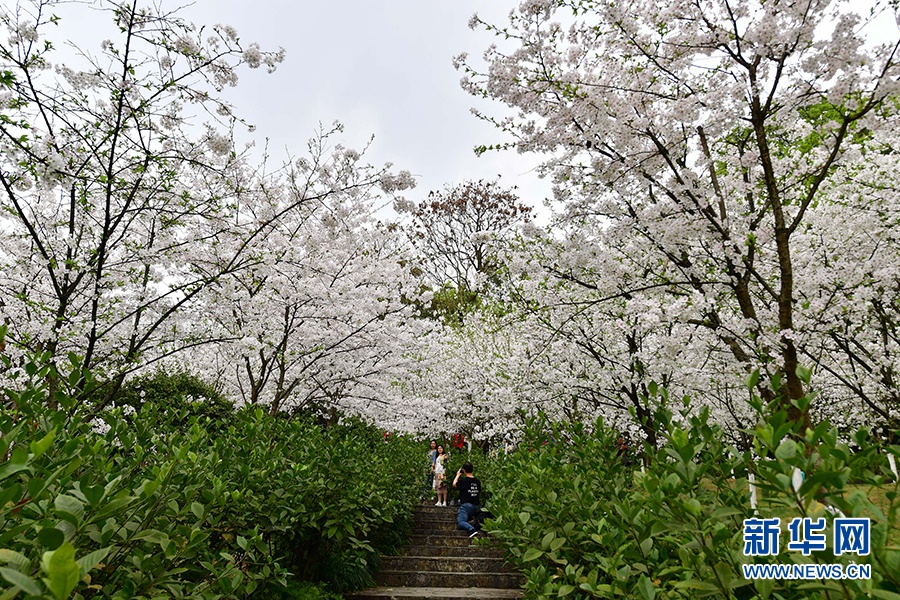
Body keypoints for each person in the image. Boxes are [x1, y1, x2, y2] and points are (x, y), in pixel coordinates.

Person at [453, 461, 482, 537]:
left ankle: (471, 529)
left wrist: (457, 475)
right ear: (472, 470)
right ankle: (474, 521)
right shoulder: (477, 481)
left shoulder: (464, 481)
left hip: (466, 506)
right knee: (459, 502)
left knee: (461, 522)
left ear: (464, 470)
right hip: (476, 505)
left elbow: (454, 484)